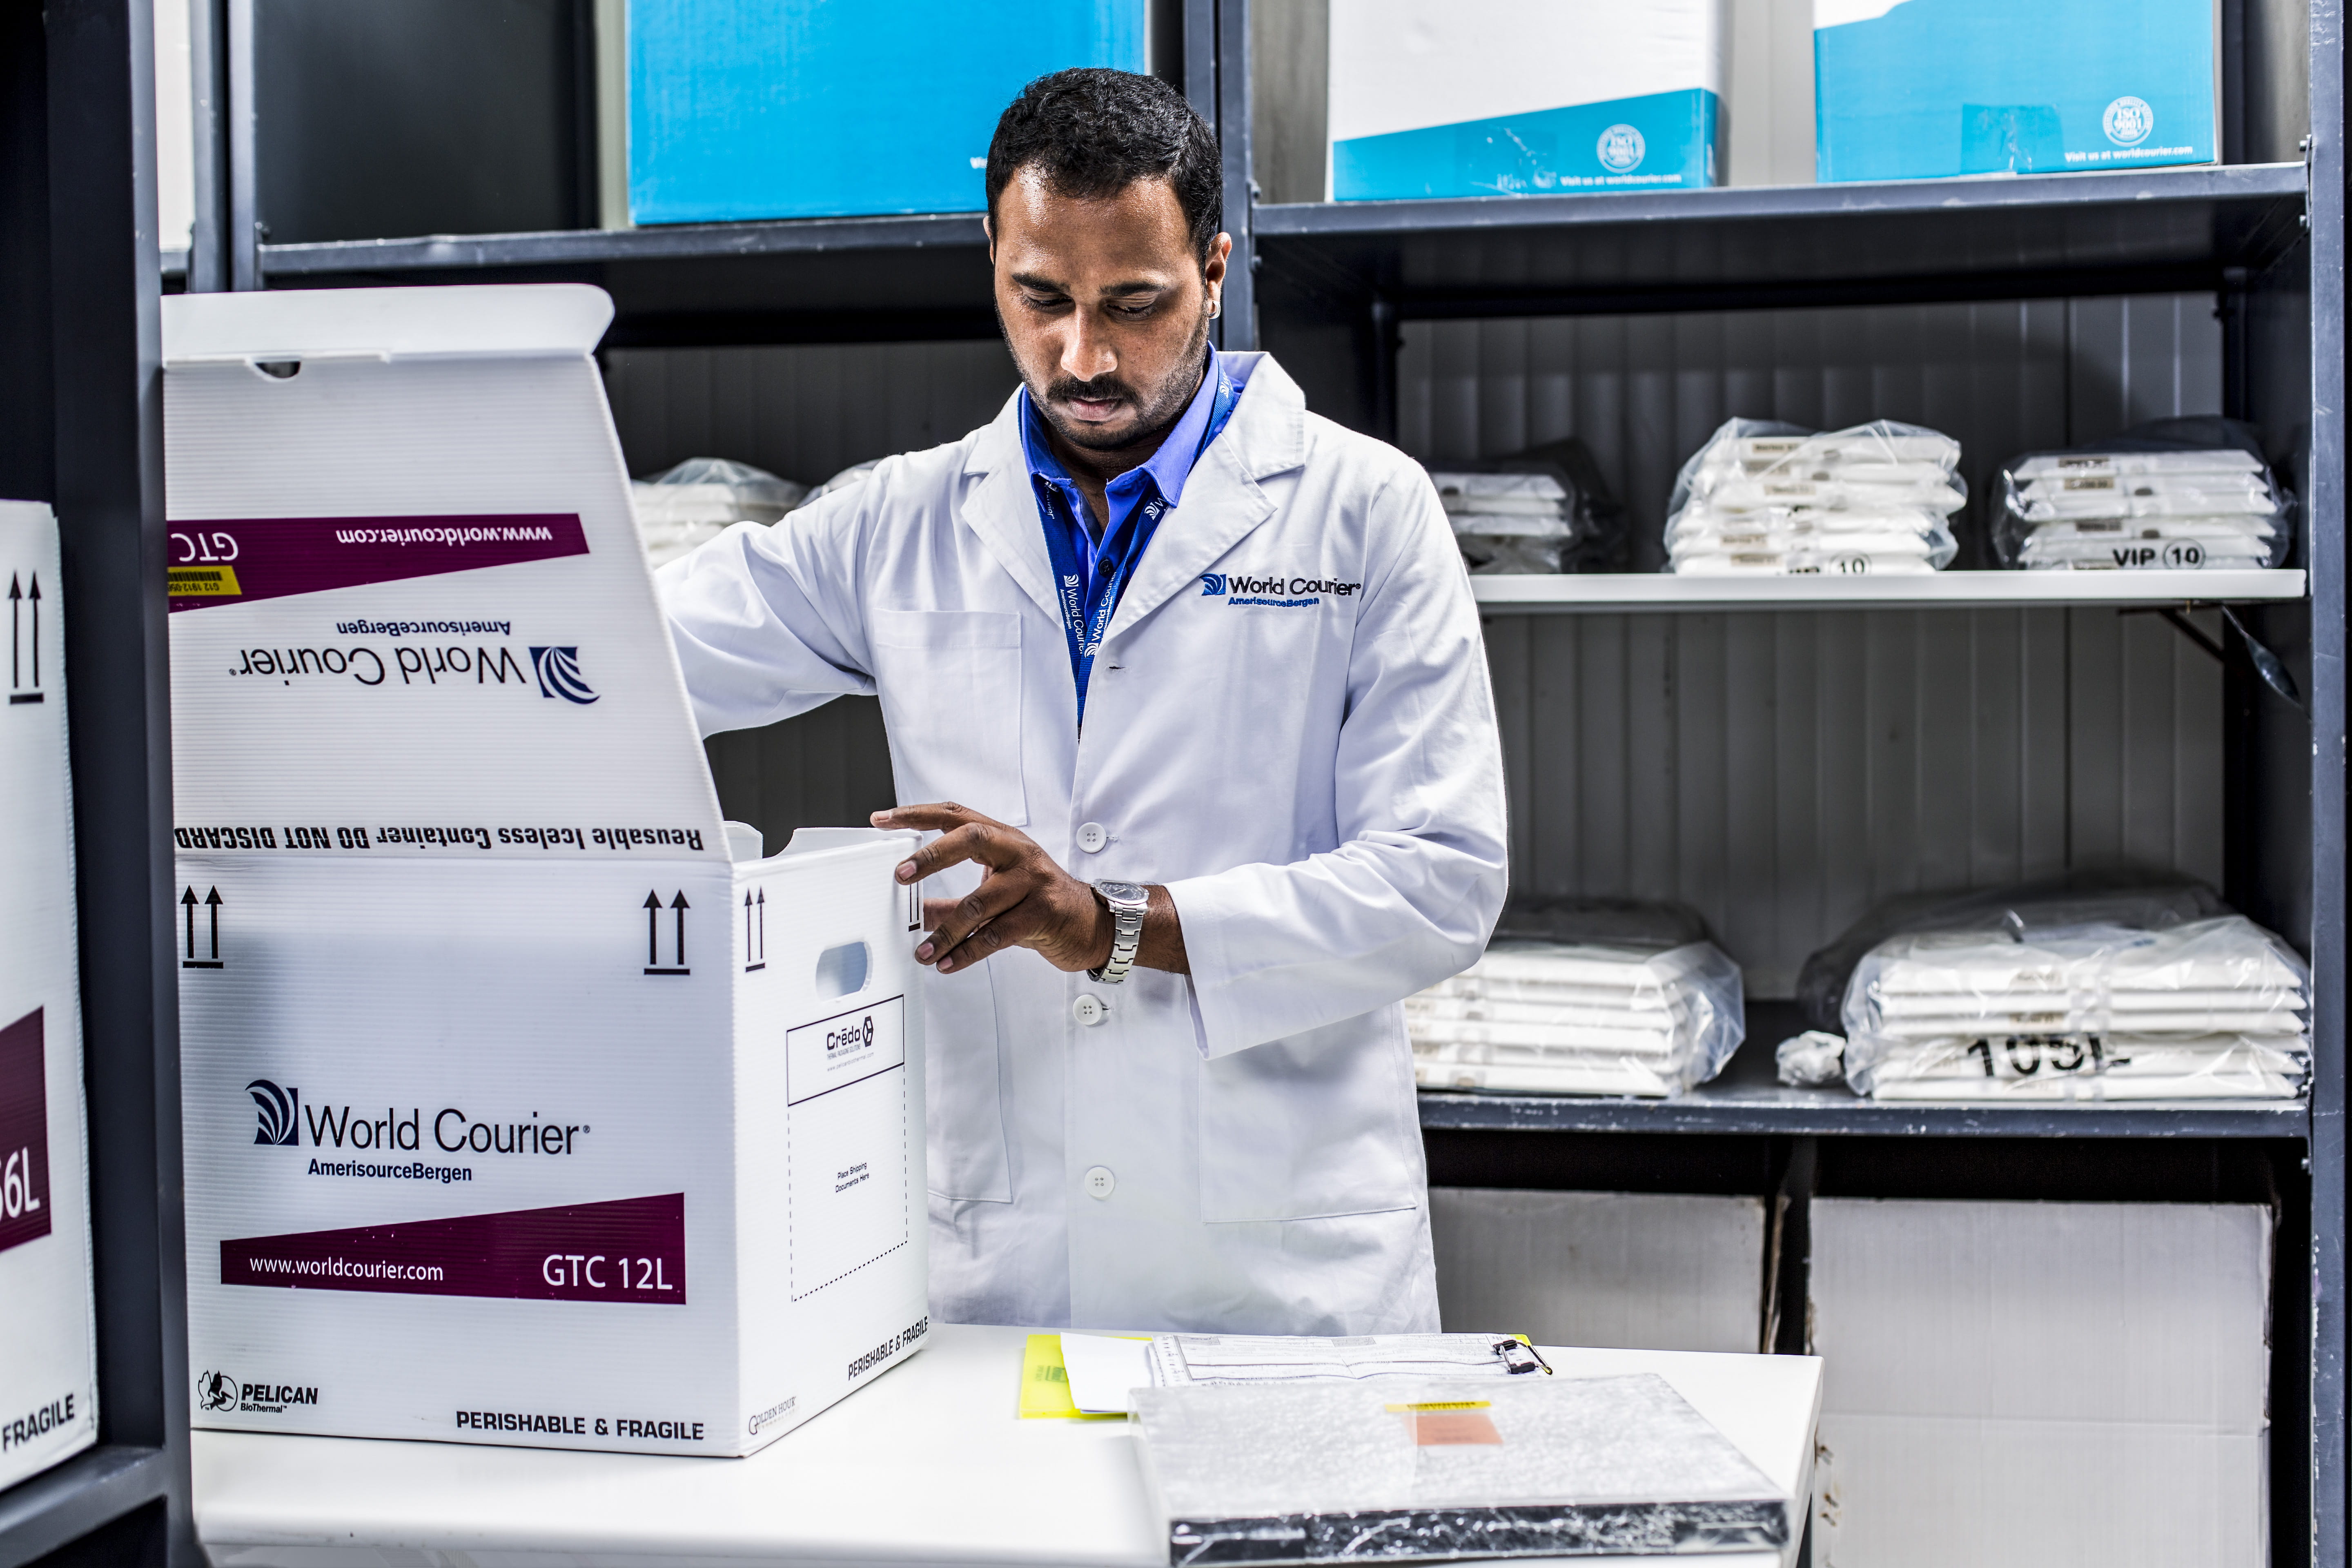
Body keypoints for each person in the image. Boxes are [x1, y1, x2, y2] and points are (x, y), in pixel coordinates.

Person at [659, 68, 1506, 1333]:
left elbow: (1441, 880)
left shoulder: (1363, 511)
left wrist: (1109, 922)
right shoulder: (902, 523)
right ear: (992, 259)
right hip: (1005, 1266)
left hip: (1275, 1273)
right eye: (1041, 298)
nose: (1084, 356)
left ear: (1214, 270)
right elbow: (627, 663)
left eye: (1137, 304)